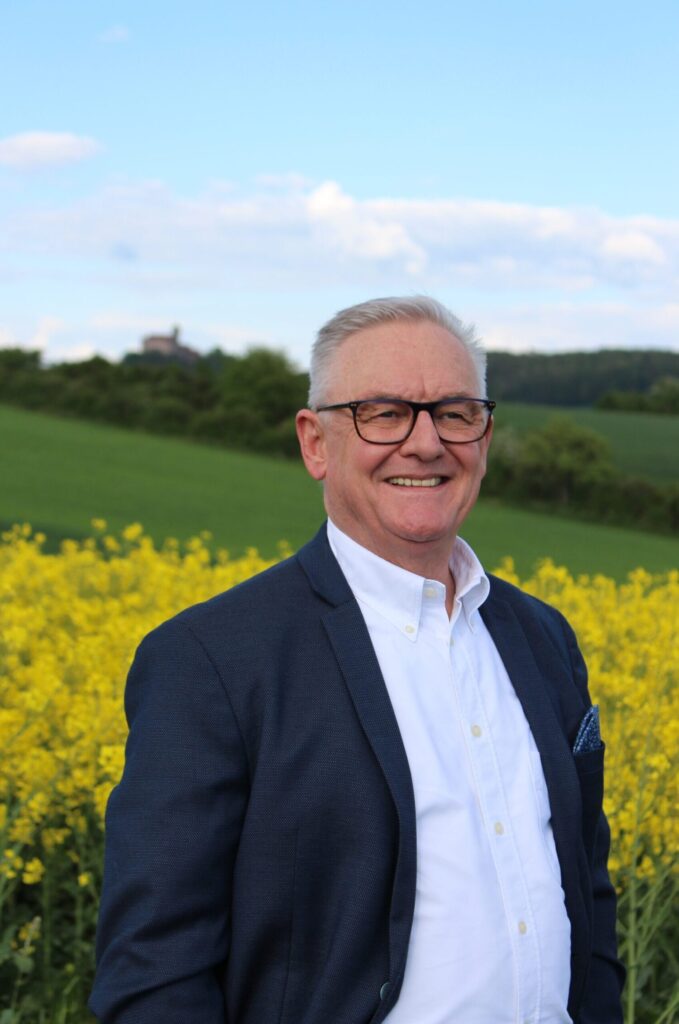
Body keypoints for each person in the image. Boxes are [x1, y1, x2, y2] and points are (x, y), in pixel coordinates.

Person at [90, 296, 624, 1023]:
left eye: (455, 412)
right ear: (315, 442)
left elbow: (584, 888)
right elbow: (154, 976)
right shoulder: (210, 660)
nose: (426, 443)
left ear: (485, 434)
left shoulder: (541, 637)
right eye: (383, 412)